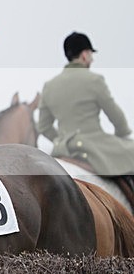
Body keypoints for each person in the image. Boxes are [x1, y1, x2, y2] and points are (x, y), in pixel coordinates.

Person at [37, 32, 134, 180]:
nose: (92, 58)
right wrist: (123, 133)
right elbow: (116, 117)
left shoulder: (49, 86)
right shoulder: (94, 80)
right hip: (94, 147)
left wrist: (63, 140)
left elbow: (43, 127)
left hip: (63, 149)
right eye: (90, 54)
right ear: (84, 55)